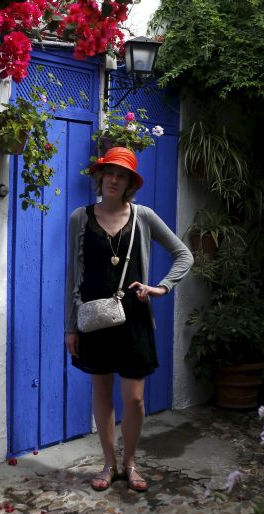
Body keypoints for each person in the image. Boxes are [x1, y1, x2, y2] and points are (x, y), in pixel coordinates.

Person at [64, 147, 193, 492]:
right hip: (93, 320)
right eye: (109, 172)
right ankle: (108, 464)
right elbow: (72, 276)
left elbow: (183, 254)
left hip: (133, 318)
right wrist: (69, 327)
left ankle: (130, 464)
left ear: (129, 183)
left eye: (122, 175)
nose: (114, 179)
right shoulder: (81, 217)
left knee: (134, 397)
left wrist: (162, 288)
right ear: (100, 176)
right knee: (102, 392)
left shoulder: (144, 216)